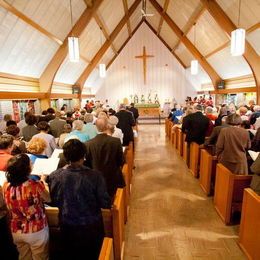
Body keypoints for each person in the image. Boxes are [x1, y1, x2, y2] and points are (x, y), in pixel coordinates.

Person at [47, 139, 111, 259]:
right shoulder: (95, 175)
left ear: (65, 156)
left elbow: (54, 200)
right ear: (83, 155)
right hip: (91, 224)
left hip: (67, 223)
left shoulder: (55, 175)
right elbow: (104, 201)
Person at [3, 154, 50, 260]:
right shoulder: (35, 185)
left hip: (16, 230)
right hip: (36, 229)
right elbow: (48, 198)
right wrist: (44, 181)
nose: (32, 164)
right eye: (30, 163)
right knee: (41, 257)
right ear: (26, 169)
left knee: (24, 257)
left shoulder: (6, 186)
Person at [85, 117, 125, 197]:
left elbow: (88, 164)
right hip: (113, 178)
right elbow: (121, 161)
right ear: (107, 126)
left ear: (96, 127)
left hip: (96, 179)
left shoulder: (88, 144)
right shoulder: (115, 141)